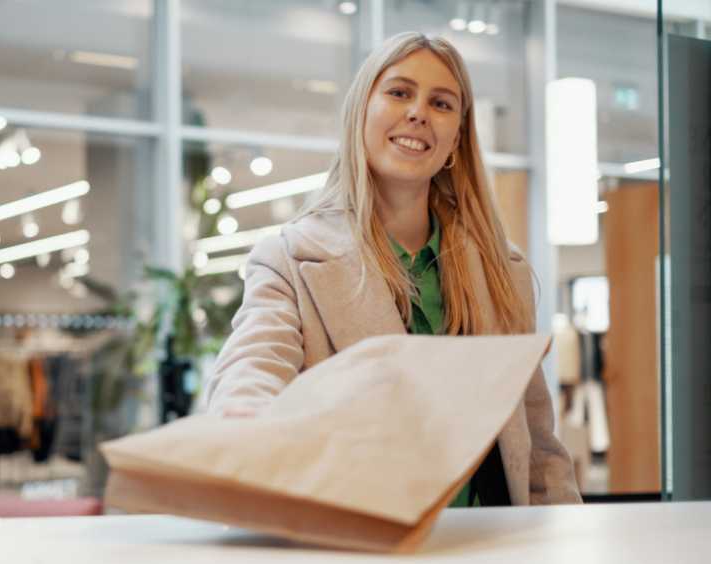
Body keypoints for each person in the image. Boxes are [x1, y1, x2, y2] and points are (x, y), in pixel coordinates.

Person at [203, 32, 581, 507]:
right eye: (400, 92)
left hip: (491, 553)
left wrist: (566, 544)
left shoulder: (503, 271)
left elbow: (538, 444)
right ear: (361, 110)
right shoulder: (289, 260)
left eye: (441, 103)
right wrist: (245, 424)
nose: (419, 112)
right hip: (364, 553)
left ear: (456, 138)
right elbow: (252, 368)